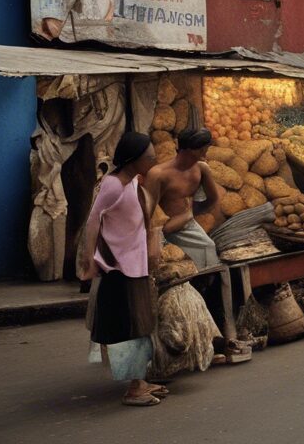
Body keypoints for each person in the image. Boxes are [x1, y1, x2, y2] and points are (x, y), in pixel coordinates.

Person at [78, 132, 166, 407]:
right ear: (133, 159)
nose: (153, 159)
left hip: (134, 264)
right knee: (129, 327)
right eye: (149, 156)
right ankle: (134, 389)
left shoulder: (131, 183)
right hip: (119, 266)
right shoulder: (113, 185)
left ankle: (140, 381)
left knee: (140, 325)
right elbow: (93, 221)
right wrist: (88, 257)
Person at [147, 128, 221, 269]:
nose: (206, 152)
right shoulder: (158, 174)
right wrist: (161, 231)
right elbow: (150, 212)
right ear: (192, 150)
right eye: (203, 149)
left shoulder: (201, 169)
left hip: (188, 224)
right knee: (169, 265)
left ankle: (208, 285)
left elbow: (213, 198)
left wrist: (190, 213)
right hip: (164, 230)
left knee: (208, 247)